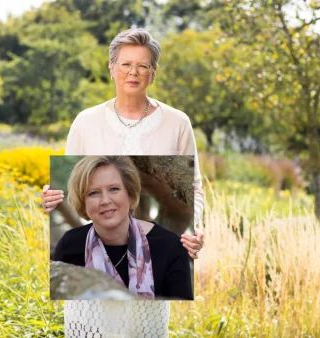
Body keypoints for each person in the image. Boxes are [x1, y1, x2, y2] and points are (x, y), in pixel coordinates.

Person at [41, 28, 205, 337]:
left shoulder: (177, 122)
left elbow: (194, 188)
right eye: (126, 64)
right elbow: (68, 190)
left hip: (149, 275)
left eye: (143, 66)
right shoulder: (85, 121)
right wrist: (49, 200)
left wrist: (198, 230)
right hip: (92, 279)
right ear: (112, 68)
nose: (134, 72)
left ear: (152, 73)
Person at [53, 156, 193, 300]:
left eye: (114, 189)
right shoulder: (68, 245)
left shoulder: (170, 246)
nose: (105, 201)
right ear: (83, 203)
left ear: (130, 195)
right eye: (93, 193)